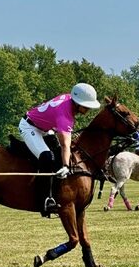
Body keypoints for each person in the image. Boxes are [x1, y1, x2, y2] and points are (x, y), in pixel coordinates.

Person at [18, 82, 101, 214]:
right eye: (86, 106)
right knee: (47, 157)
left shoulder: (70, 99)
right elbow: (65, 145)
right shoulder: (64, 115)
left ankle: (57, 193)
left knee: (57, 155)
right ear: (77, 103)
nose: (88, 109)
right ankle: (44, 199)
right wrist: (65, 166)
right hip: (29, 127)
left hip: (45, 129)